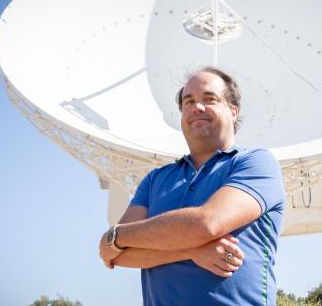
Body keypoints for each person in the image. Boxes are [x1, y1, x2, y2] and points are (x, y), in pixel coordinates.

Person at [99, 67, 285, 305]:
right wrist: (190, 252)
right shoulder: (155, 180)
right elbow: (117, 256)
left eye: (210, 99)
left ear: (233, 111)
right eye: (189, 101)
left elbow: (207, 223)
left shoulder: (256, 163)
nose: (197, 107)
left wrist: (117, 235)